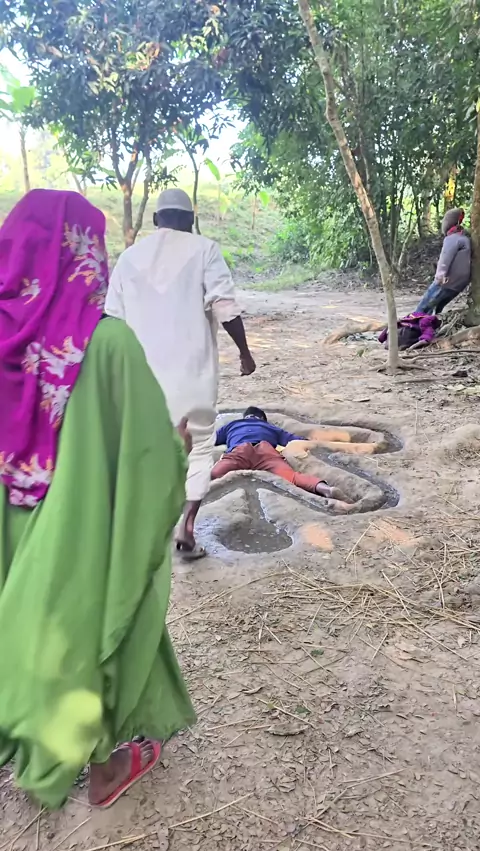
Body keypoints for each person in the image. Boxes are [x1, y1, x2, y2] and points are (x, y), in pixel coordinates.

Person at [0, 190, 195, 810]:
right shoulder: (108, 345)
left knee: (19, 625)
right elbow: (147, 455)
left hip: (11, 521)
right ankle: (106, 769)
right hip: (76, 530)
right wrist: (177, 449)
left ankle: (23, 729)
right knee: (94, 624)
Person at [105, 188, 256, 561]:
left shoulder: (129, 258)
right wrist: (244, 352)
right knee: (200, 447)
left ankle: (142, 529)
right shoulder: (205, 250)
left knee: (144, 448)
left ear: (157, 219)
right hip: (192, 375)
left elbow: (111, 320)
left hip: (141, 378)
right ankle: (186, 524)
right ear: (190, 220)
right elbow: (224, 307)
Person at [212, 407, 351, 509]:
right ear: (262, 419)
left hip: (241, 450)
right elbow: (293, 439)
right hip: (266, 451)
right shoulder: (270, 427)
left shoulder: (233, 425)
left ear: (245, 417)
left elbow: (212, 439)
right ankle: (325, 489)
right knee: (292, 477)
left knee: (214, 474)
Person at [415, 208, 471, 314]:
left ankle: (412, 324)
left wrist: (439, 277)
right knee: (438, 308)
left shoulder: (452, 239)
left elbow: (445, 259)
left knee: (423, 308)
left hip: (447, 282)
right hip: (460, 284)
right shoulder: (465, 239)